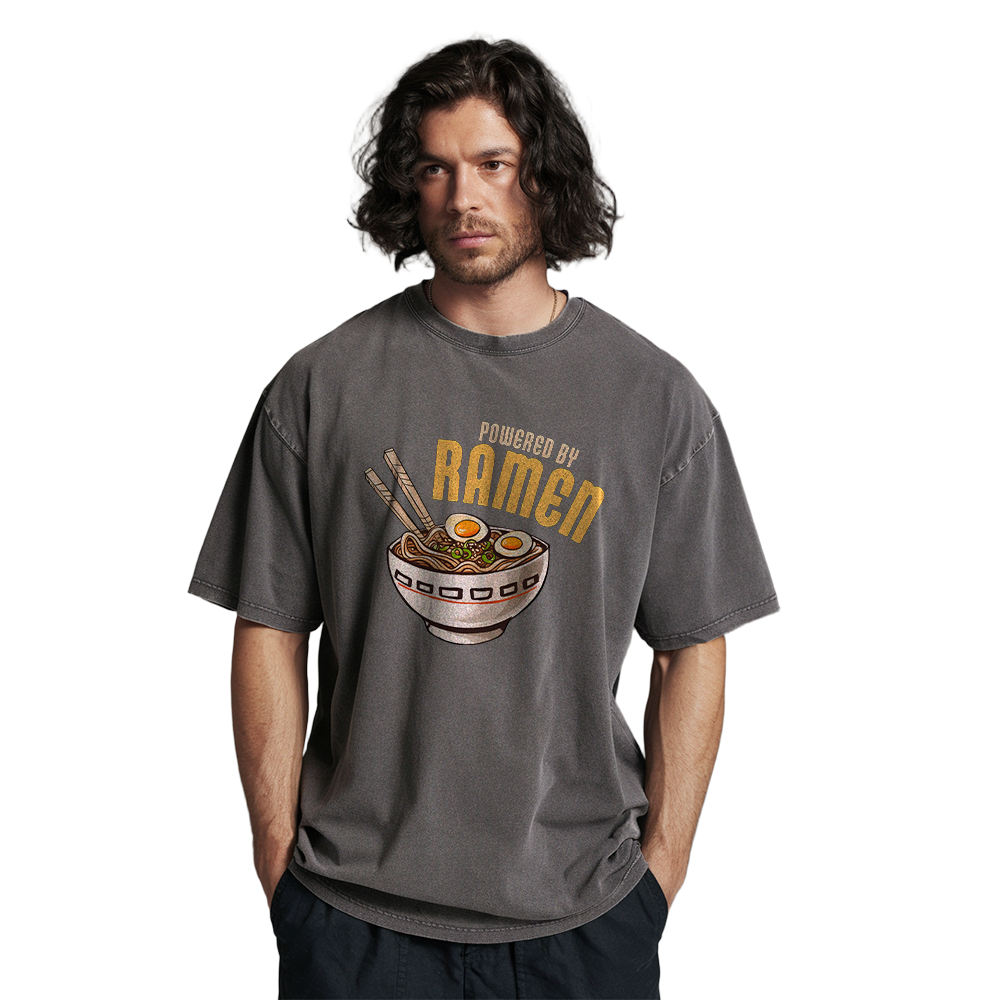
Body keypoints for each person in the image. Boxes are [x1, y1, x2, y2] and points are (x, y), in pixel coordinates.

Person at [189, 36, 778, 1000]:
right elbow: (268, 630)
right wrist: (274, 857)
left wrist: (660, 874)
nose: (464, 197)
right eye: (436, 168)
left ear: (544, 174)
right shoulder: (321, 387)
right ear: (408, 188)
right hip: (353, 915)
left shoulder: (651, 397)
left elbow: (692, 647)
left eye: (494, 164)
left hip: (585, 918)